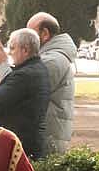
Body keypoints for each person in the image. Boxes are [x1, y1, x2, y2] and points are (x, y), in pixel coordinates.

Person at [0, 28, 51, 160]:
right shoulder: (35, 68)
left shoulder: (25, 74)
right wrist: (2, 86)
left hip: (22, 145)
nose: (9, 53)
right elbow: (13, 94)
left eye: (12, 48)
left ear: (25, 50)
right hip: (28, 142)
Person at [27, 12, 77, 157]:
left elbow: (23, 89)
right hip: (50, 135)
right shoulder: (52, 56)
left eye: (31, 34)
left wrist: (3, 66)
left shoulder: (52, 60)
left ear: (45, 34)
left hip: (48, 139)